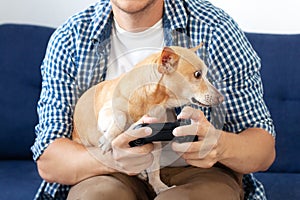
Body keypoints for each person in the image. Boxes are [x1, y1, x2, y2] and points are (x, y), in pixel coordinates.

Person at [31, 0, 276, 199]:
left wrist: (219, 144)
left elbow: (263, 152)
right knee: (97, 196)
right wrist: (113, 159)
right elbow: (49, 162)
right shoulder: (71, 38)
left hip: (200, 173)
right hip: (106, 174)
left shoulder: (214, 28)